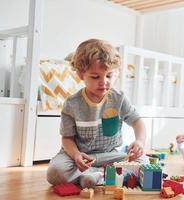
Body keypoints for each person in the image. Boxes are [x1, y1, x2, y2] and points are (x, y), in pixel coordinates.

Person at [47, 39, 148, 188]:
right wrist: (76, 155)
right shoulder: (72, 104)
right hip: (77, 156)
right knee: (55, 172)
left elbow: (137, 122)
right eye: (95, 77)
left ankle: (95, 175)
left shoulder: (119, 98)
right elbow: (67, 138)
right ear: (81, 74)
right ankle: (98, 175)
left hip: (109, 155)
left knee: (143, 163)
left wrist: (140, 141)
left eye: (109, 76)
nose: (103, 82)